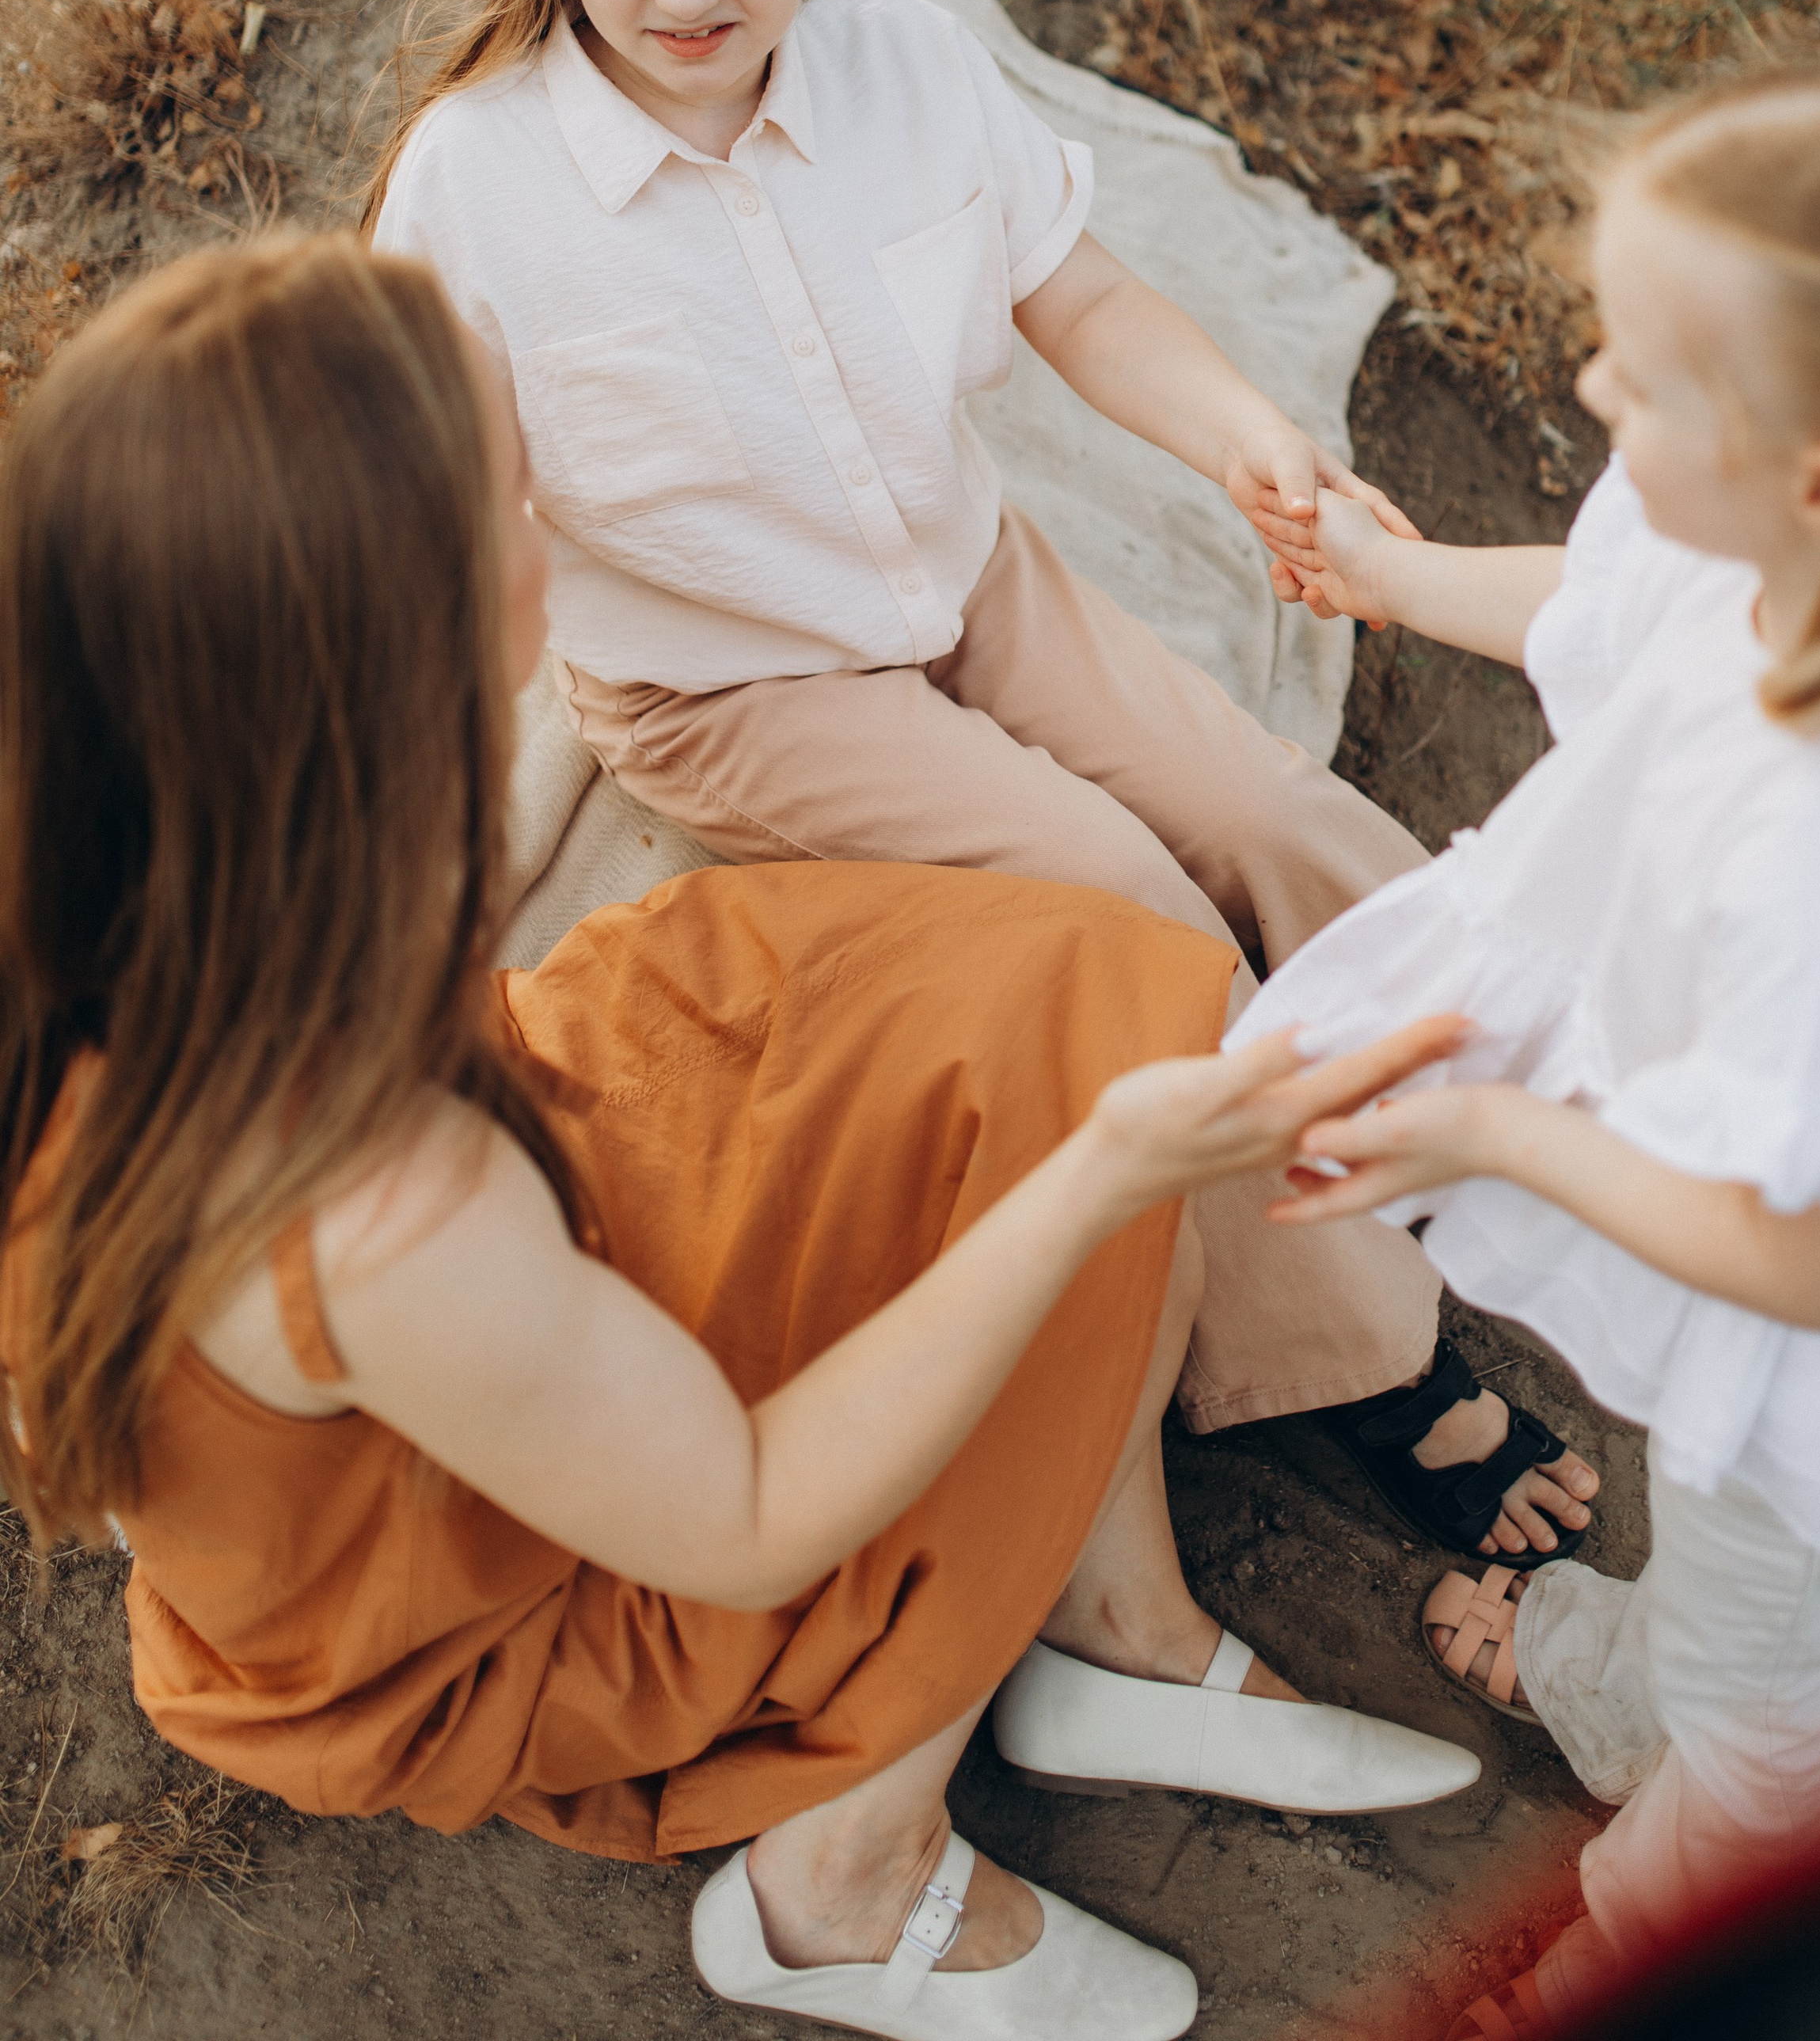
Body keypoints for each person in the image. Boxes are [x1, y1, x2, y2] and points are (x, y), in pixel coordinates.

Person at [0, 237, 1484, 2041]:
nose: (553, 520)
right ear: (398, 638)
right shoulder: (375, 1199)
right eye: (515, 498)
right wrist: (1104, 1172)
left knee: (1084, 983)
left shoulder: (137, 839)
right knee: (1053, 1203)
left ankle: (1115, 1626)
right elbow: (750, 1520)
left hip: (490, 1301)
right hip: (499, 1576)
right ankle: (839, 1882)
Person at [363, 0, 1599, 1572]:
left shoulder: (906, 68)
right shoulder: (473, 183)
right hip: (738, 690)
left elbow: (1075, 296)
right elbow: (433, 505)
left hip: (969, 573)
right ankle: (1356, 1351)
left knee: (1259, 808)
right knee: (1123, 909)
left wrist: (1240, 436)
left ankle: (1485, 1100)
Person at [1239, 50, 1820, 2035]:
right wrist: (1392, 578)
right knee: (1724, 1553)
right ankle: (1619, 1683)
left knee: (1759, 1679)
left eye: (1639, 373)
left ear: (1813, 475)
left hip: (1810, 1311)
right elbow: (1605, 613)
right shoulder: (1805, 555)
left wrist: (1498, 1136)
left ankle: (1642, 1943)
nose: (1591, 386)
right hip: (1748, 1157)